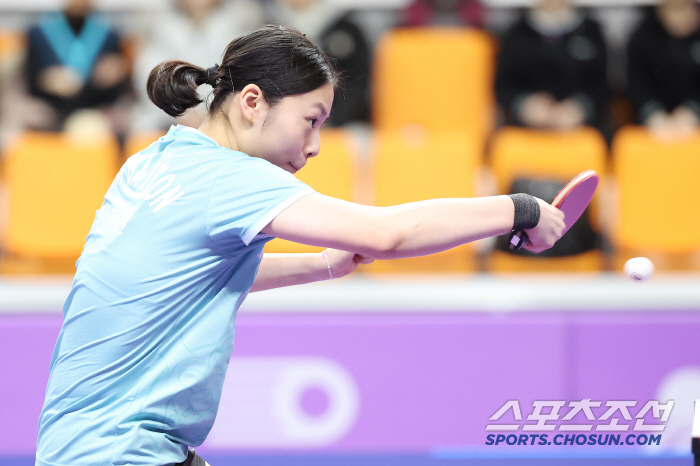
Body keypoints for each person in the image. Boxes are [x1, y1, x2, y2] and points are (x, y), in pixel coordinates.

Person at [35, 25, 565, 466]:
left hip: (72, 445)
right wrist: (518, 209)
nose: (313, 147)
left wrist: (322, 266)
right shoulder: (231, 180)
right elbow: (388, 234)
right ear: (251, 103)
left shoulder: (153, 161)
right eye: (310, 121)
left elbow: (180, 274)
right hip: (123, 453)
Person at [131, 0, 265, 132]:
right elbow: (152, 76)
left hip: (228, 118)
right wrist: (183, 114)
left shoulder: (245, 19)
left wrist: (211, 114)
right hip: (167, 120)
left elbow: (247, 75)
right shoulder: (157, 23)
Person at [495, 0, 609, 133]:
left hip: (582, 130)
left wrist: (581, 107)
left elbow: (602, 86)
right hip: (526, 130)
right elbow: (504, 87)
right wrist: (524, 105)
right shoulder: (516, 35)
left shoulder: (591, 32)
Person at [24, 0, 130, 133]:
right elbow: (30, 82)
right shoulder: (39, 33)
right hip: (51, 109)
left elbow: (119, 87)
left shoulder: (109, 35)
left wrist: (109, 79)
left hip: (97, 108)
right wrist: (45, 80)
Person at [627, 0, 700, 139]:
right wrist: (653, 113)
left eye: (691, 7)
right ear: (661, 10)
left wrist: (693, 110)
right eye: (677, 9)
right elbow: (637, 84)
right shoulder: (643, 36)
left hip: (693, 119)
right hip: (653, 123)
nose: (686, 15)